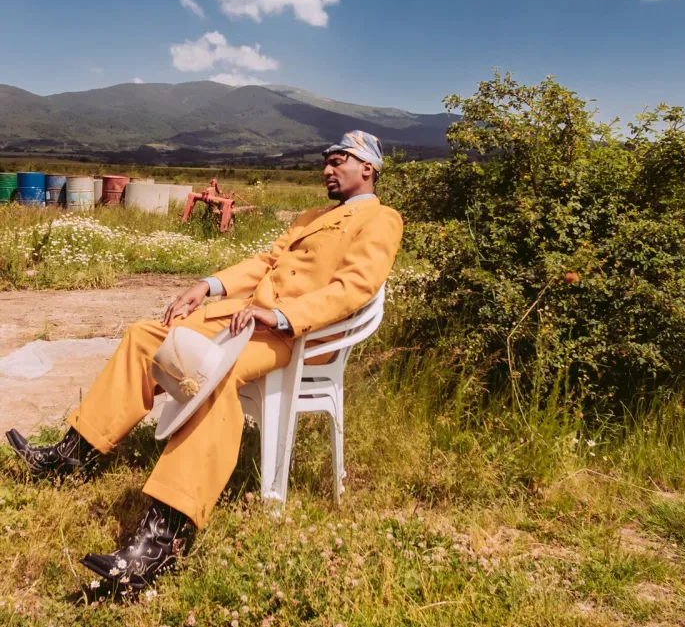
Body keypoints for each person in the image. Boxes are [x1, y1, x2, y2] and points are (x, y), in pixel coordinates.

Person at [5, 131, 403, 596]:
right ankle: (74, 455)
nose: (327, 169)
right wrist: (209, 286)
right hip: (241, 322)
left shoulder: (380, 219)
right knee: (144, 336)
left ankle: (161, 539)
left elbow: (352, 289)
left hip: (294, 337)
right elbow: (264, 264)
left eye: (339, 161)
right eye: (326, 161)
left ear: (368, 168)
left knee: (213, 375)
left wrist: (277, 314)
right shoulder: (314, 216)